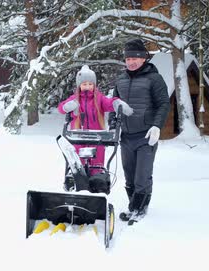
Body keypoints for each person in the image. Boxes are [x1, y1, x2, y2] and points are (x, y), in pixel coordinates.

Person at [112, 38, 170, 223]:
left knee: (142, 176)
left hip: (146, 135)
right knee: (129, 175)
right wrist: (113, 123)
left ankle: (139, 208)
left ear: (144, 58)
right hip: (126, 136)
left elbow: (163, 103)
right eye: (128, 59)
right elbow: (115, 104)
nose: (131, 62)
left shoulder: (154, 78)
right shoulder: (120, 79)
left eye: (135, 58)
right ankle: (134, 206)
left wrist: (156, 126)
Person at [58, 65, 128, 179]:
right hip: (78, 137)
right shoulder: (74, 99)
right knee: (78, 164)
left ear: (94, 85)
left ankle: (97, 181)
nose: (87, 87)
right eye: (84, 84)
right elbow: (61, 108)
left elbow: (108, 103)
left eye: (90, 84)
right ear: (79, 85)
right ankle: (78, 181)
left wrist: (116, 103)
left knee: (96, 164)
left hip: (97, 138)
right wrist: (66, 107)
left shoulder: (99, 98)